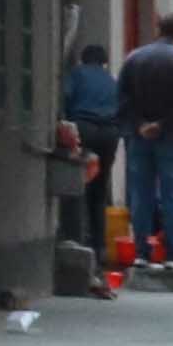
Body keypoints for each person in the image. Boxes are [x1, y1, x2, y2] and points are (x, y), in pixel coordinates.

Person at [117, 9, 173, 279]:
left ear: (158, 29)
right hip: (172, 136)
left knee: (140, 193)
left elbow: (122, 97)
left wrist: (140, 124)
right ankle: (172, 254)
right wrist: (163, 124)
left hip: (139, 136)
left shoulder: (134, 58)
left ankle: (141, 253)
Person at [53, 32, 120, 291]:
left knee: (79, 185)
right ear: (104, 62)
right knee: (99, 191)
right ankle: (100, 248)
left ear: (83, 59)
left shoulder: (77, 74)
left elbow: (65, 98)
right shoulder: (111, 80)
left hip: (85, 129)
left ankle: (78, 239)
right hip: (109, 135)